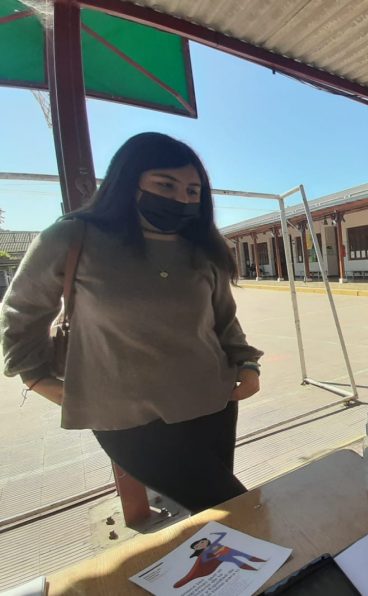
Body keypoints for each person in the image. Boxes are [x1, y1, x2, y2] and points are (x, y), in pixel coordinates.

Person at [0, 133, 263, 513]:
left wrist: (249, 365)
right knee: (238, 510)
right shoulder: (72, 237)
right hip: (126, 420)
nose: (181, 199)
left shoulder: (202, 249)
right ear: (128, 180)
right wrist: (35, 377)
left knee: (213, 513)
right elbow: (21, 311)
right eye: (165, 184)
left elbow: (224, 320)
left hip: (212, 406)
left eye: (193, 191)